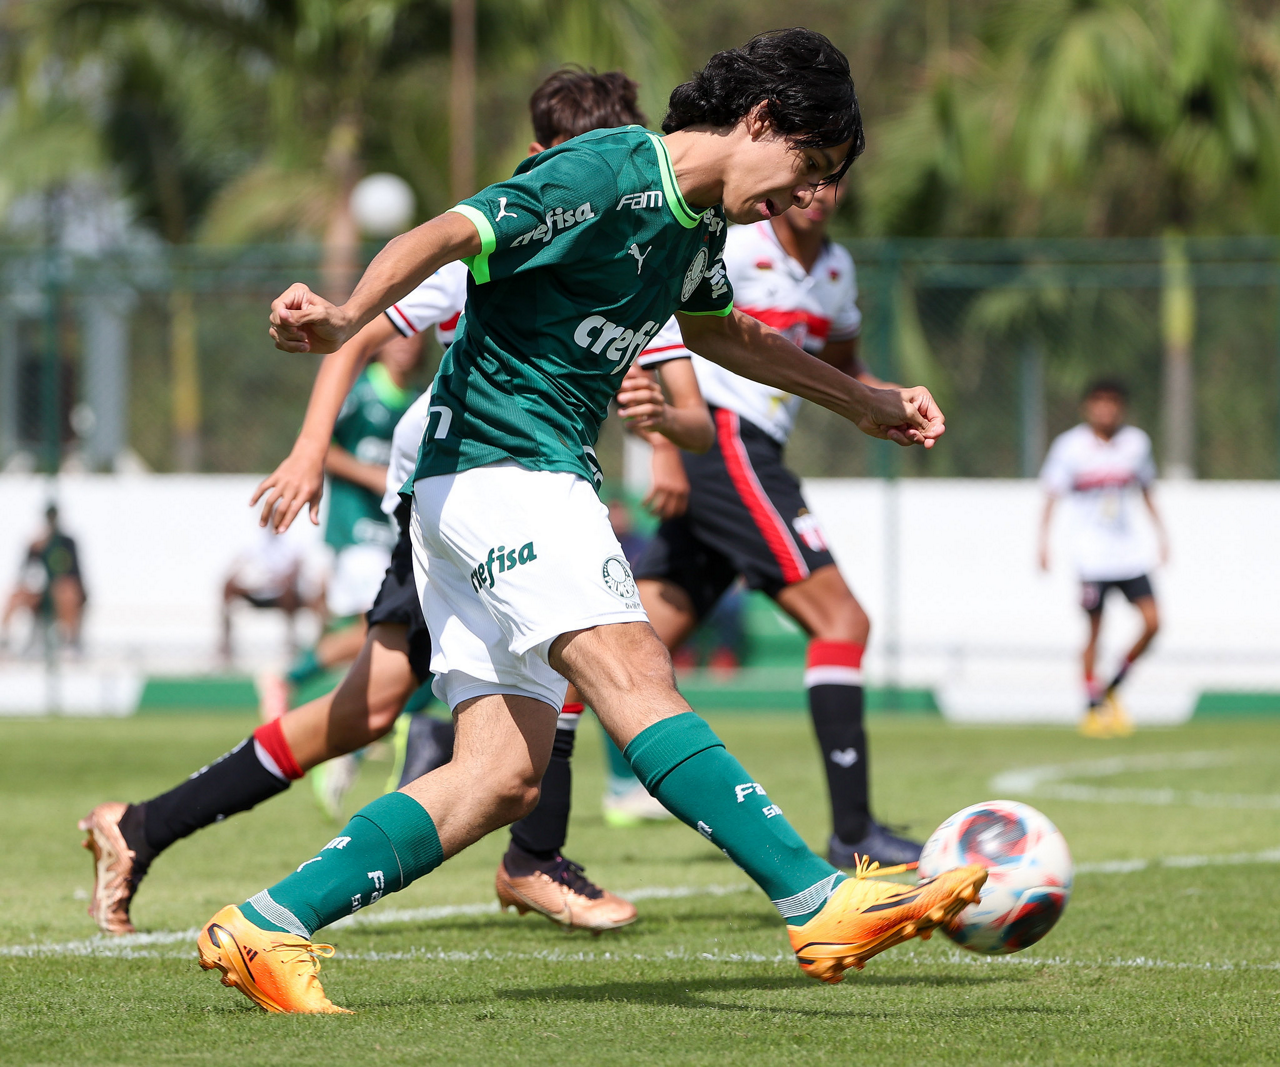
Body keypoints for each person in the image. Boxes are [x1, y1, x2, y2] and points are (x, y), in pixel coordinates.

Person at [196, 29, 984, 1013]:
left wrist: (860, 398)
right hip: (503, 469)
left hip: (481, 485)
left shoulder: (697, 225)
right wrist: (349, 312)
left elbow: (727, 335)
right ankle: (816, 898)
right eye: (807, 164)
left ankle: (267, 923)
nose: (802, 197)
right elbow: (446, 233)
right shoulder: (607, 170)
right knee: (632, 667)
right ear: (760, 120)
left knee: (499, 775)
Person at [77, 67, 685, 938]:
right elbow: (358, 327)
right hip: (456, 494)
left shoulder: (638, 254)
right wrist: (308, 449)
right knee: (567, 648)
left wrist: (664, 427)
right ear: (543, 157)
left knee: (368, 708)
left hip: (511, 495)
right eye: (585, 157)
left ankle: (142, 826)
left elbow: (691, 400)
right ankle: (533, 860)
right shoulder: (510, 229)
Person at [618, 178, 923, 868]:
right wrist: (662, 443)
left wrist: (891, 402)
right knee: (843, 621)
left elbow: (844, 365)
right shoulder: (733, 244)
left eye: (834, 178)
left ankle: (515, 817)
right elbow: (652, 319)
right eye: (808, 175)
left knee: (624, 654)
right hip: (726, 442)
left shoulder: (836, 271)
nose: (818, 192)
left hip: (748, 453)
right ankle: (854, 833)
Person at [1039, 378, 1167, 738]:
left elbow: (1147, 489)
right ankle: (1092, 706)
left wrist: (1162, 535)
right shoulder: (1069, 447)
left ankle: (1112, 687)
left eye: (1112, 402)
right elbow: (1051, 494)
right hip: (1091, 556)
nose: (1105, 409)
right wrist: (1043, 543)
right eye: (1099, 401)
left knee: (1153, 622)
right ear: (1087, 407)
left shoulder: (1136, 443)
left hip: (1129, 554)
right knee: (1095, 630)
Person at [2, 504, 86, 653]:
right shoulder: (37, 543)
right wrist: (33, 551)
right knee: (16, 594)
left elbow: (75, 576)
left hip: (64, 594)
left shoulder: (67, 542)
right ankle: (5, 639)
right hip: (42, 593)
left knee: (65, 591)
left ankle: (69, 640)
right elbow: (25, 574)